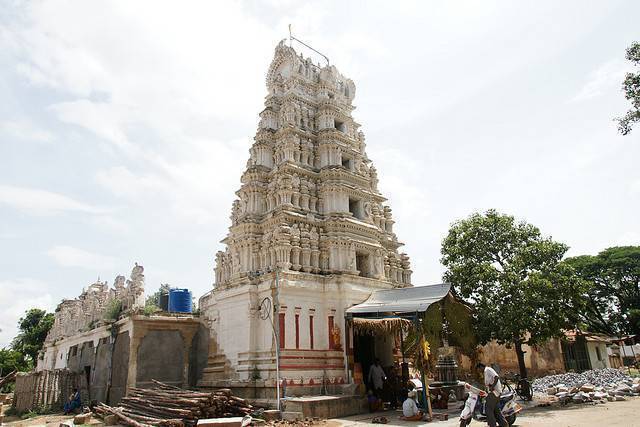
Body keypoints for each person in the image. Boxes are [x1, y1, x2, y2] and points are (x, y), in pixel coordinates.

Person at [477, 363, 508, 427]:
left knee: (488, 410)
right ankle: (504, 424)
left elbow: (496, 377)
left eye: (478, 369)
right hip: (495, 393)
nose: (479, 371)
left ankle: (492, 425)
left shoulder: (487, 370)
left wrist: (492, 387)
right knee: (497, 411)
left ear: (480, 367)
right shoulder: (486, 371)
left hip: (494, 393)